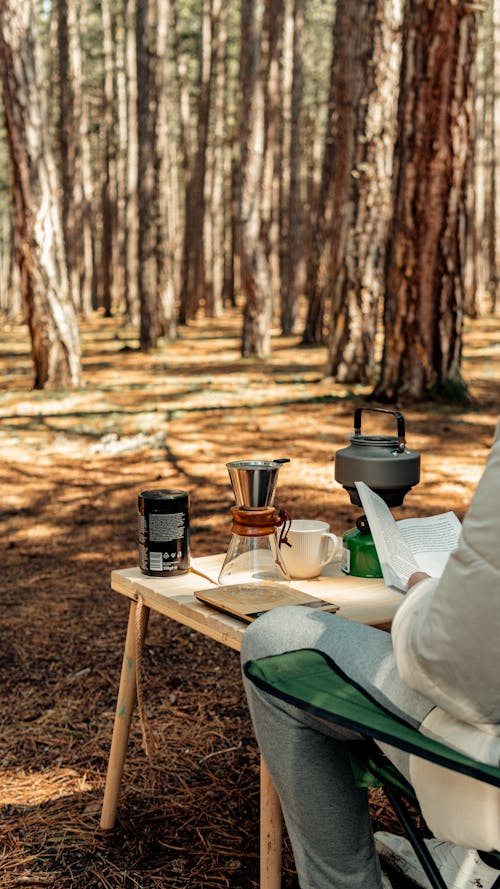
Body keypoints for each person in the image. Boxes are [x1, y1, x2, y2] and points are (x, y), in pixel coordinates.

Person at [241, 420, 500, 889]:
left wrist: (425, 597)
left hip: (489, 760)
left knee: (272, 639)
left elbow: (460, 673)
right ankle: (475, 861)